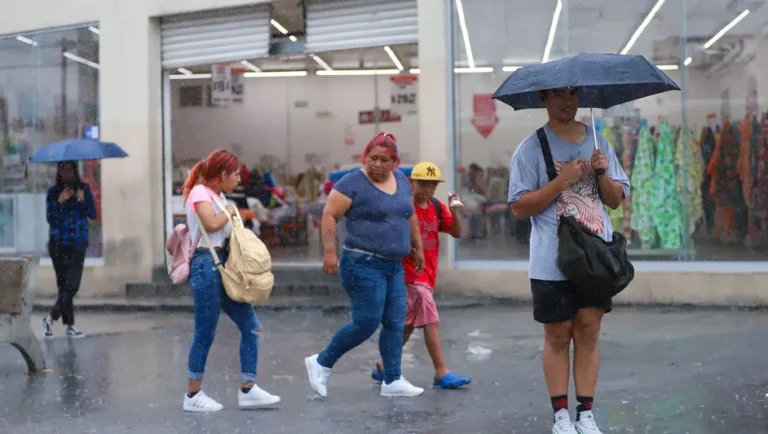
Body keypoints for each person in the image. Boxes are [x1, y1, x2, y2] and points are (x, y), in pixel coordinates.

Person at [507, 88, 629, 434]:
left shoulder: (597, 141)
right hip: (551, 259)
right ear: (544, 99)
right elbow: (518, 207)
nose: (568, 102)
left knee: (589, 334)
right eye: (559, 96)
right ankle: (561, 416)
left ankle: (585, 414)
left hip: (596, 257)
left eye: (573, 95)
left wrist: (602, 173)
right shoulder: (530, 149)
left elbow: (616, 201)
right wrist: (561, 181)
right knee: (558, 337)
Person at [304, 131, 426, 398]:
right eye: (373, 158)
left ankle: (392, 379)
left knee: (395, 322)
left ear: (395, 161)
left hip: (393, 265)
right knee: (367, 322)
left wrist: (417, 247)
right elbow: (329, 215)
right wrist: (329, 252)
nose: (378, 164)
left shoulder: (402, 181)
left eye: (384, 160)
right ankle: (322, 362)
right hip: (362, 262)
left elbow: (410, 215)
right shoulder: (351, 183)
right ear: (365, 156)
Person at [181, 149, 280, 412]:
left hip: (223, 265)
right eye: (235, 174)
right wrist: (232, 210)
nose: (239, 179)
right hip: (204, 267)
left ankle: (248, 388)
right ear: (222, 174)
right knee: (205, 332)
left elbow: (227, 238)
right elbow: (211, 225)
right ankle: (192, 395)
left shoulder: (219, 196)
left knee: (252, 327)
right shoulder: (200, 194)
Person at [370, 161, 471, 389]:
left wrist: (454, 212)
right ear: (411, 183)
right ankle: (441, 372)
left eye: (432, 185)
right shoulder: (403, 208)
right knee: (431, 320)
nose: (427, 189)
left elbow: (456, 233)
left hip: (428, 275)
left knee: (407, 326)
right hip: (408, 275)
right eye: (423, 183)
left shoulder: (436, 207)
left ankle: (383, 365)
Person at [42, 161, 96, 339]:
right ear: (59, 172)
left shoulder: (83, 189)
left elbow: (93, 214)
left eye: (70, 171)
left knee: (72, 285)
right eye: (63, 171)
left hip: (78, 242)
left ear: (75, 172)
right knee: (63, 287)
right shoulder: (53, 192)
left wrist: (81, 199)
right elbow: (51, 218)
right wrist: (59, 201)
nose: (67, 174)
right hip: (58, 243)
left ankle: (50, 318)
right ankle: (70, 326)